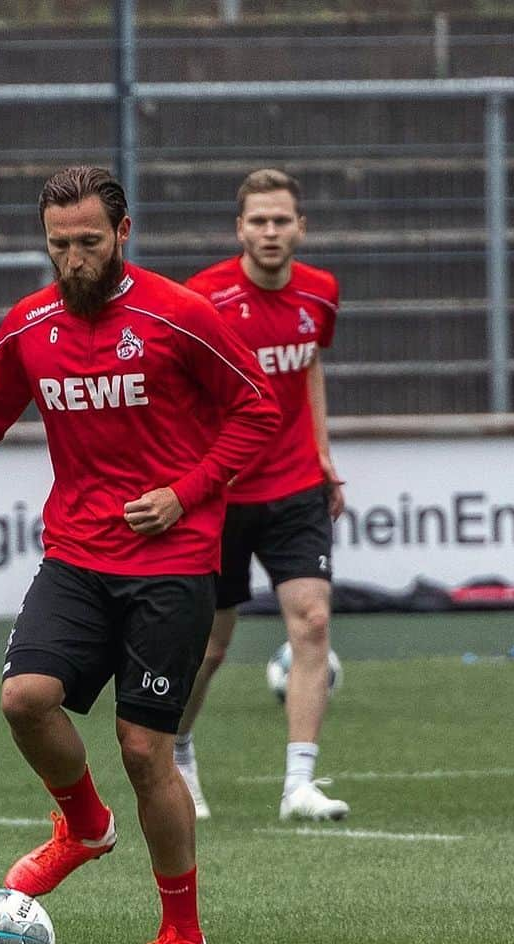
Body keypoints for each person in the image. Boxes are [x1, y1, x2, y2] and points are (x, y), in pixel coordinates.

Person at [0, 166, 280, 944]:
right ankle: (83, 826)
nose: (73, 260)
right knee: (24, 698)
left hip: (173, 562)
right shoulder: (31, 324)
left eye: (88, 242)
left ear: (123, 234)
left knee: (146, 750)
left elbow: (258, 406)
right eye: (58, 245)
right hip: (77, 555)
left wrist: (185, 495)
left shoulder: (179, 315)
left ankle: (182, 935)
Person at [178, 168, 347, 823]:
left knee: (312, 622)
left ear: (300, 227)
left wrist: (323, 451)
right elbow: (180, 390)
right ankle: (180, 753)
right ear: (239, 229)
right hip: (220, 493)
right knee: (211, 646)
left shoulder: (322, 294)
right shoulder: (203, 298)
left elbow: (308, 368)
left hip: (297, 485)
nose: (270, 232)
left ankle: (298, 784)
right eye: (259, 221)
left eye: (282, 220)